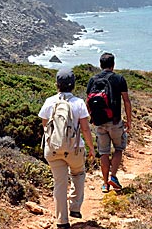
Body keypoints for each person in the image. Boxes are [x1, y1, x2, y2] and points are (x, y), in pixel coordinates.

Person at [39, 68, 96, 229]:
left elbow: (45, 125)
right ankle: (75, 207)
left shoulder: (49, 101)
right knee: (78, 173)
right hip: (74, 149)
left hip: (53, 149)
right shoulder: (78, 103)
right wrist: (91, 147)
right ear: (73, 85)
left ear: (57, 84)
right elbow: (85, 128)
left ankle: (62, 221)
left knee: (59, 183)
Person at [86, 52, 132, 193]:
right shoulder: (119, 79)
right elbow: (126, 101)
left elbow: (87, 102)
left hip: (100, 122)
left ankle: (105, 184)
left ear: (100, 65)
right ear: (113, 64)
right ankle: (113, 176)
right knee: (118, 149)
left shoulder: (93, 80)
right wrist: (129, 120)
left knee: (104, 153)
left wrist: (93, 118)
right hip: (115, 121)